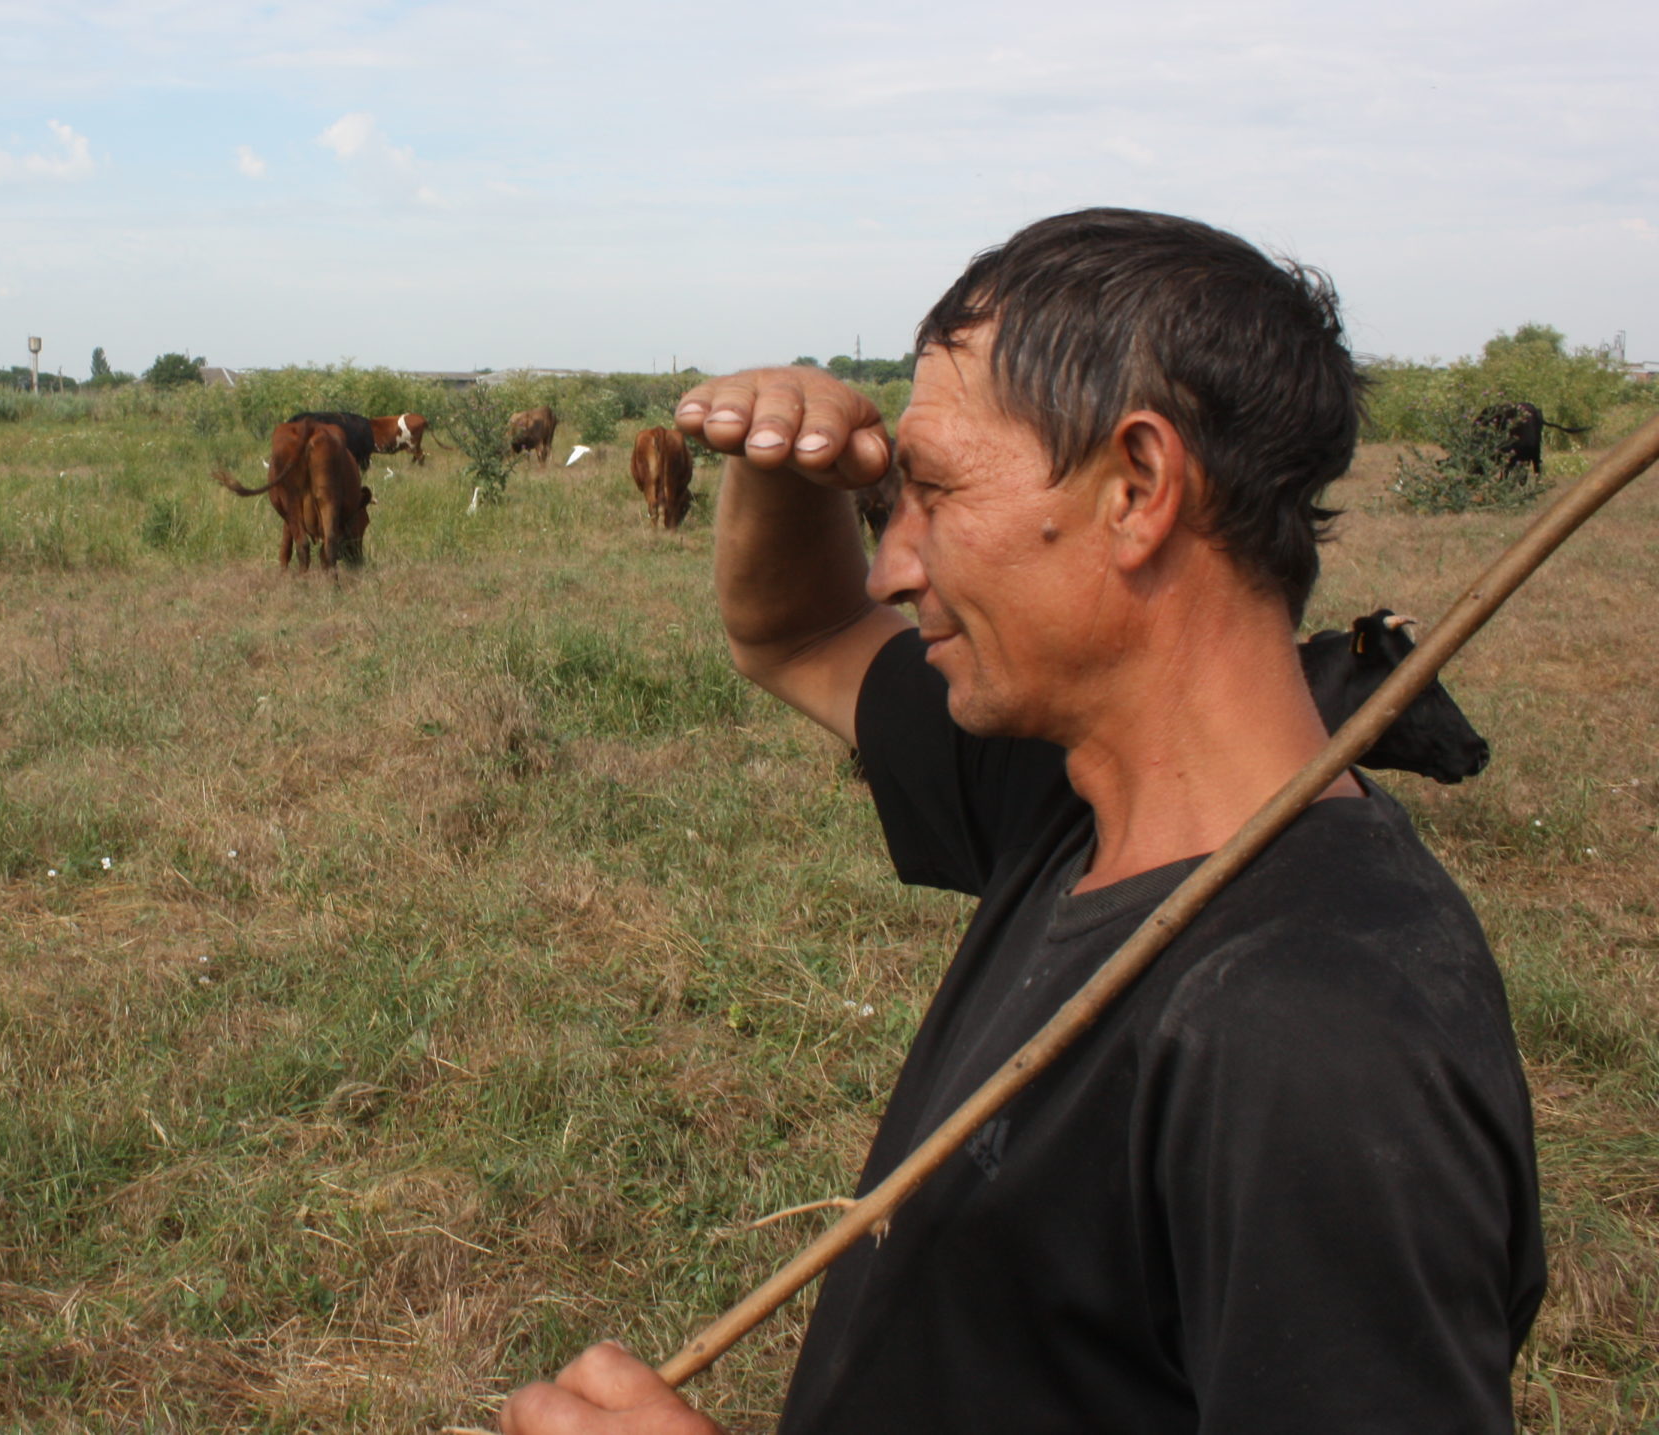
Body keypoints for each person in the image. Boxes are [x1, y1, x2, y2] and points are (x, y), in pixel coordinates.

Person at [502, 210, 1544, 1434]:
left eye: (932, 492)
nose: (892, 566)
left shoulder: (1308, 1037)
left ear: (1138, 488)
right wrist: (783, 463)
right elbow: (802, 635)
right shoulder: (1072, 787)